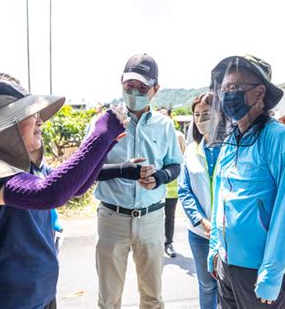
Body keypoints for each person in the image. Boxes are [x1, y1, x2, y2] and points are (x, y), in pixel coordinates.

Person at [0, 80, 125, 308]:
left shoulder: (23, 164)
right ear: (5, 124)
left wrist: (106, 143)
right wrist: (100, 135)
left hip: (41, 297)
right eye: (31, 115)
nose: (40, 121)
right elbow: (48, 194)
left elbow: (75, 187)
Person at [207, 54, 285, 308]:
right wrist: (215, 247)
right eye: (225, 89)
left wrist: (271, 274)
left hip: (261, 270)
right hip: (227, 265)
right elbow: (220, 195)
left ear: (260, 93)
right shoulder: (231, 139)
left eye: (236, 88)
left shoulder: (279, 138)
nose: (228, 95)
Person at [92, 53, 182, 308]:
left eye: (142, 88)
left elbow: (175, 165)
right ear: (121, 82)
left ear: (155, 90)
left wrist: (160, 177)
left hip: (152, 219)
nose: (135, 92)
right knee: (108, 299)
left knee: (152, 298)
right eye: (129, 86)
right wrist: (122, 170)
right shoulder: (103, 123)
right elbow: (87, 171)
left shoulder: (165, 126)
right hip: (112, 218)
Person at [178, 92, 220, 309]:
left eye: (206, 113)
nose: (201, 119)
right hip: (200, 233)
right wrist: (201, 220)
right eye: (197, 114)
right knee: (206, 285)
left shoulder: (233, 148)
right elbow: (184, 191)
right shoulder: (192, 150)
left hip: (229, 233)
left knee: (228, 287)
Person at [158, 106, 186, 258]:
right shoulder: (152, 134)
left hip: (172, 186)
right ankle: (155, 244)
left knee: (169, 216)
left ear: (170, 117)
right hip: (154, 187)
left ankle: (168, 243)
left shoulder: (179, 136)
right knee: (153, 216)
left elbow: (180, 159)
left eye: (165, 115)